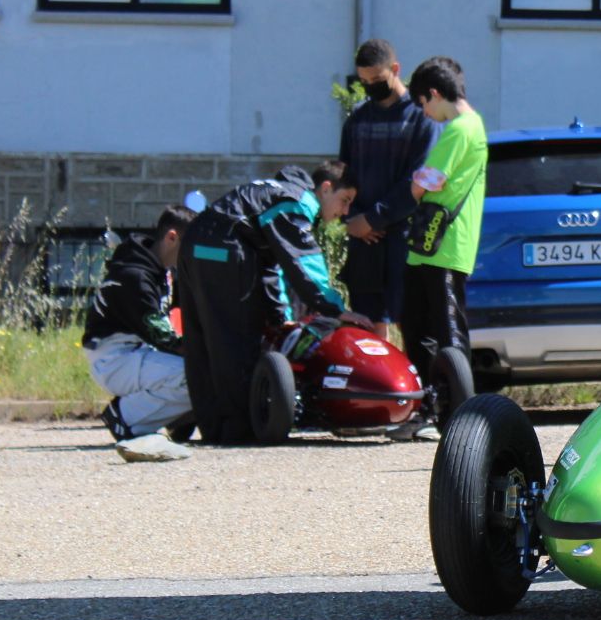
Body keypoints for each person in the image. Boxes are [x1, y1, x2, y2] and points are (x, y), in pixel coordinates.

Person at [176, 161, 372, 443]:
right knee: (235, 340)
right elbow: (303, 260)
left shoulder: (271, 192)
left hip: (194, 245)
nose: (345, 212)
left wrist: (280, 318)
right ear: (326, 188)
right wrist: (335, 308)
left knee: (202, 342)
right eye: (345, 200)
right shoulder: (296, 201)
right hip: (224, 250)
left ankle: (215, 429)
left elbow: (268, 264)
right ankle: (239, 431)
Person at [401, 55, 487, 417]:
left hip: (443, 245)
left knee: (446, 331)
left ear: (435, 94)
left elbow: (428, 180)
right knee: (424, 326)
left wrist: (412, 186)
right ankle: (433, 406)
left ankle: (450, 408)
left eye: (423, 104)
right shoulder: (472, 126)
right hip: (433, 246)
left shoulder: (459, 128)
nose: (424, 113)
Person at [339, 39, 440, 340]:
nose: (371, 86)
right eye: (364, 81)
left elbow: (417, 182)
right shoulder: (356, 120)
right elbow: (345, 175)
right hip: (364, 242)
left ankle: (421, 384)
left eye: (377, 80)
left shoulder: (423, 119)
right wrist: (353, 220)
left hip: (404, 238)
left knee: (413, 326)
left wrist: (373, 219)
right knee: (368, 327)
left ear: (395, 69)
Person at [82, 204, 197, 443]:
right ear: (172, 237)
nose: (192, 253)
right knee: (194, 375)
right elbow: (164, 337)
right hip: (115, 358)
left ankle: (173, 419)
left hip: (136, 351)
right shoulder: (136, 278)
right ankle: (126, 417)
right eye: (190, 246)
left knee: (199, 371)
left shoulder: (159, 269)